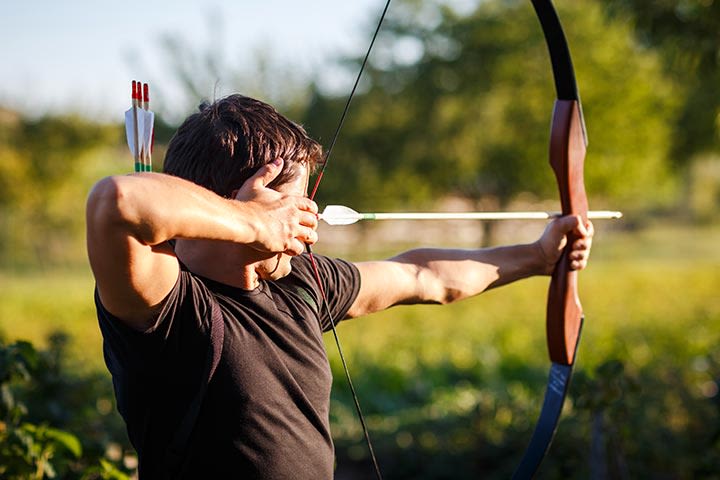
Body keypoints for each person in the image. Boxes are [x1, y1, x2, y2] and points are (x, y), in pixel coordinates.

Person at [86, 94, 593, 479]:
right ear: (238, 201)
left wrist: (539, 256)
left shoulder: (297, 281)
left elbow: (425, 276)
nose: (305, 220)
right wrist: (255, 224)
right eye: (293, 204)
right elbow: (116, 201)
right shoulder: (167, 304)